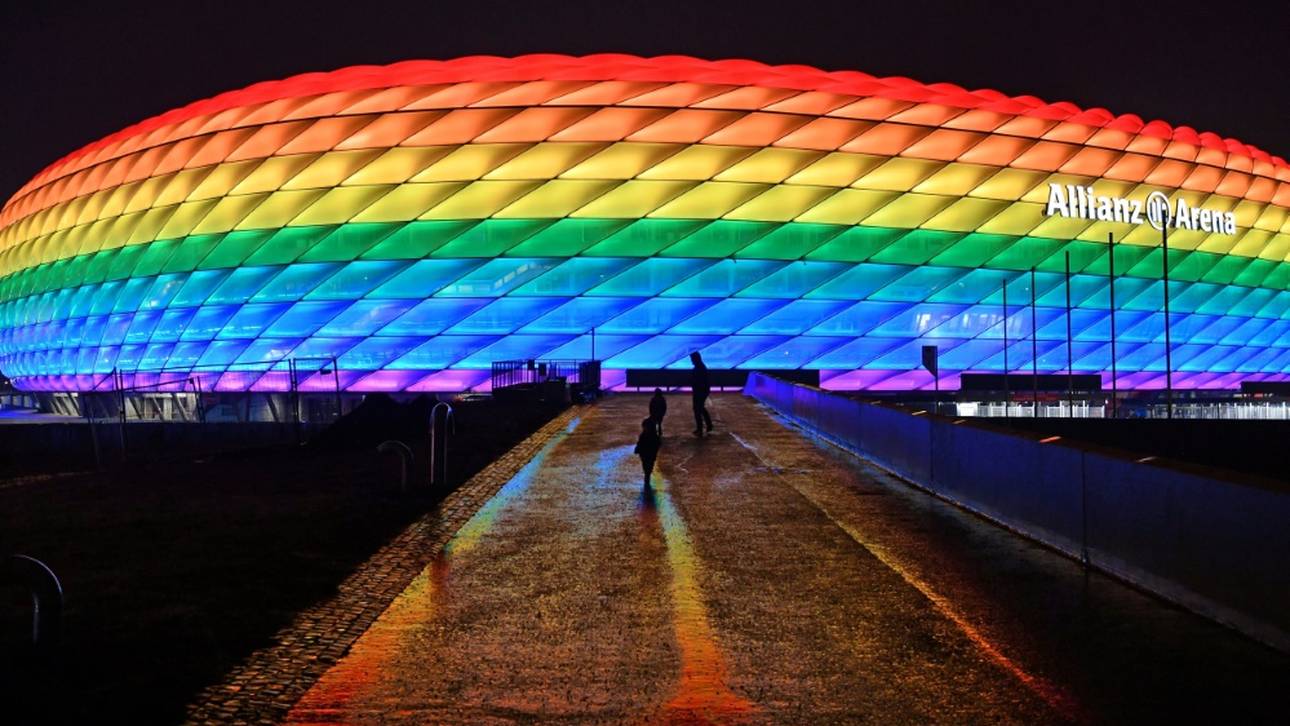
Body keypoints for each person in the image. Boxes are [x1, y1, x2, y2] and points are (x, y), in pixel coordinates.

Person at [633, 416, 661, 490]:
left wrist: (638, 448)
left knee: (647, 465)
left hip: (647, 453)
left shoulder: (646, 435)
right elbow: (640, 443)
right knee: (647, 465)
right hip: (647, 454)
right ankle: (647, 474)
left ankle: (647, 475)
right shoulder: (652, 436)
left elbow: (640, 443)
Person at [690, 351, 712, 436]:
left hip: (699, 391)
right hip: (702, 391)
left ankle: (700, 429)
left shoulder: (698, 368)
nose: (691, 360)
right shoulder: (701, 367)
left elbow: (698, 381)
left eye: (692, 359)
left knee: (697, 409)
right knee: (700, 408)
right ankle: (708, 426)